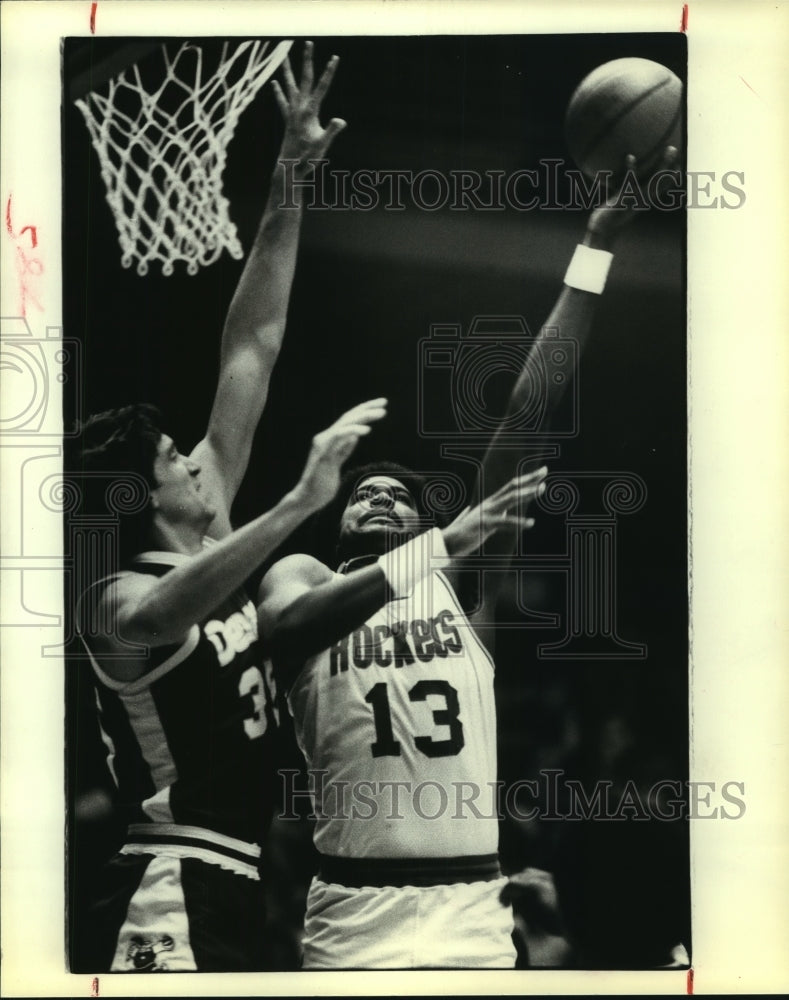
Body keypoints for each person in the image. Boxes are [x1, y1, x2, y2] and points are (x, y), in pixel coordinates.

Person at [257, 150, 678, 969]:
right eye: (361, 492)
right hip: (351, 907)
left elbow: (529, 404)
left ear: (423, 518)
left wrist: (595, 244)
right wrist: (434, 546)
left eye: (397, 494)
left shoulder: (460, 585)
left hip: (468, 906)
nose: (375, 496)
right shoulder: (304, 578)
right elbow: (283, 624)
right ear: (339, 522)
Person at [69, 43, 370, 973]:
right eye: (172, 459)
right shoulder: (113, 603)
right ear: (141, 498)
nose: (196, 459)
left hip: (239, 875)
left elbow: (254, 341)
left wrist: (289, 177)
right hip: (165, 880)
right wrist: (295, 503)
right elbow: (167, 612)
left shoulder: (214, 512)